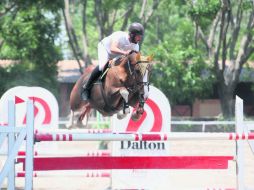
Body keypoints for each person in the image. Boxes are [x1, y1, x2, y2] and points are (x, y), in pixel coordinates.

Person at [81, 22, 145, 101]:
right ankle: (86, 87)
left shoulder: (136, 46)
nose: (140, 39)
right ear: (132, 35)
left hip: (118, 54)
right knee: (102, 66)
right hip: (106, 49)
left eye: (141, 36)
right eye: (138, 36)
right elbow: (112, 48)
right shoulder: (120, 35)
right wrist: (125, 53)